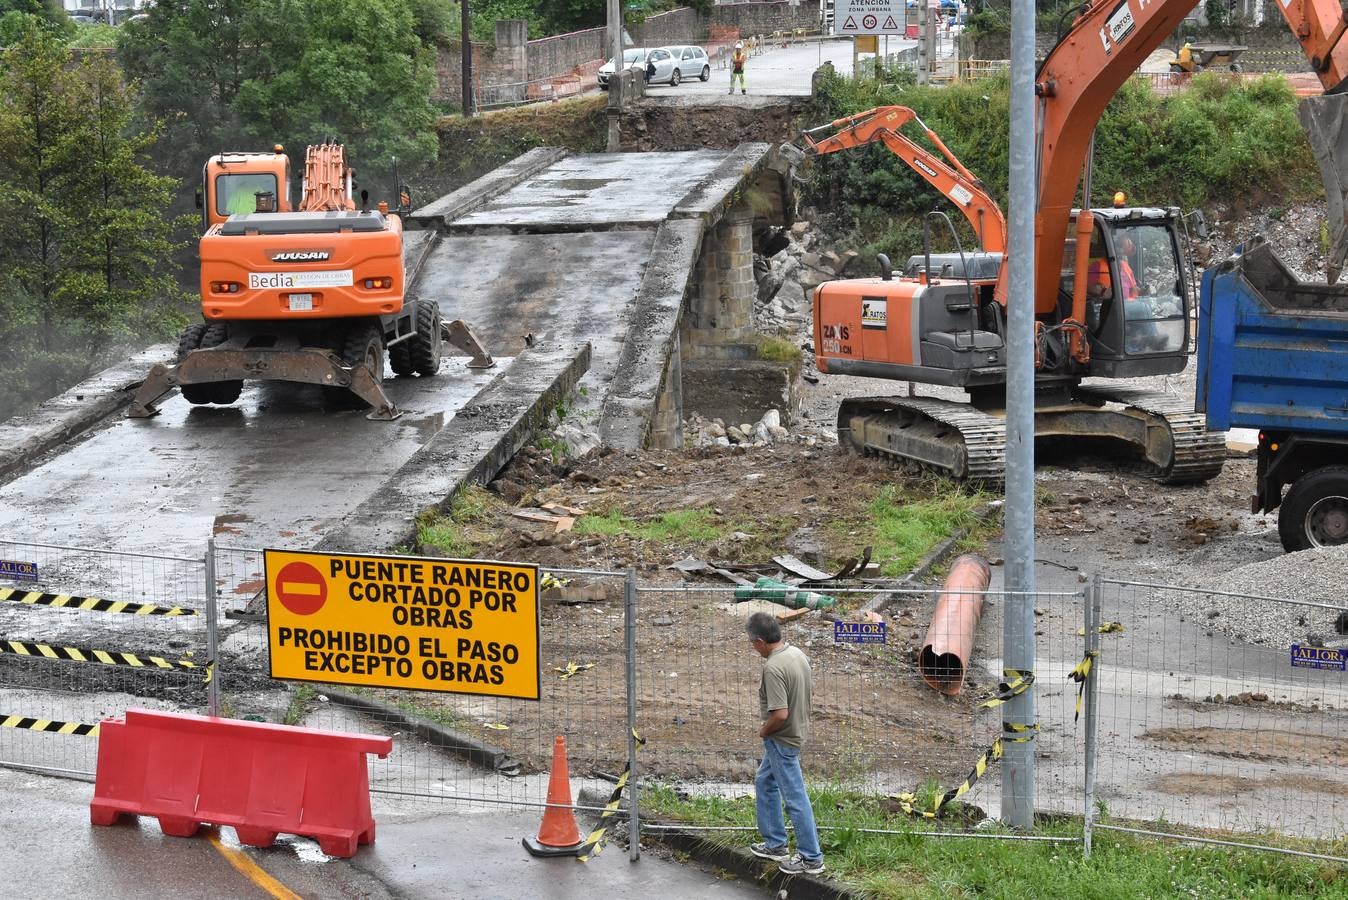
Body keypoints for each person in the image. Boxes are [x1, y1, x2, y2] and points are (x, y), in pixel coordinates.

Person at [745, 611, 824, 876]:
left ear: (759, 641)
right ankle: (775, 843)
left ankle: (811, 858)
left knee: (794, 797)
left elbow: (780, 714)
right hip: (795, 733)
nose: (753, 648)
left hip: (781, 739)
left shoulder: (773, 667)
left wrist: (764, 731)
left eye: (752, 643)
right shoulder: (797, 654)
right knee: (764, 781)